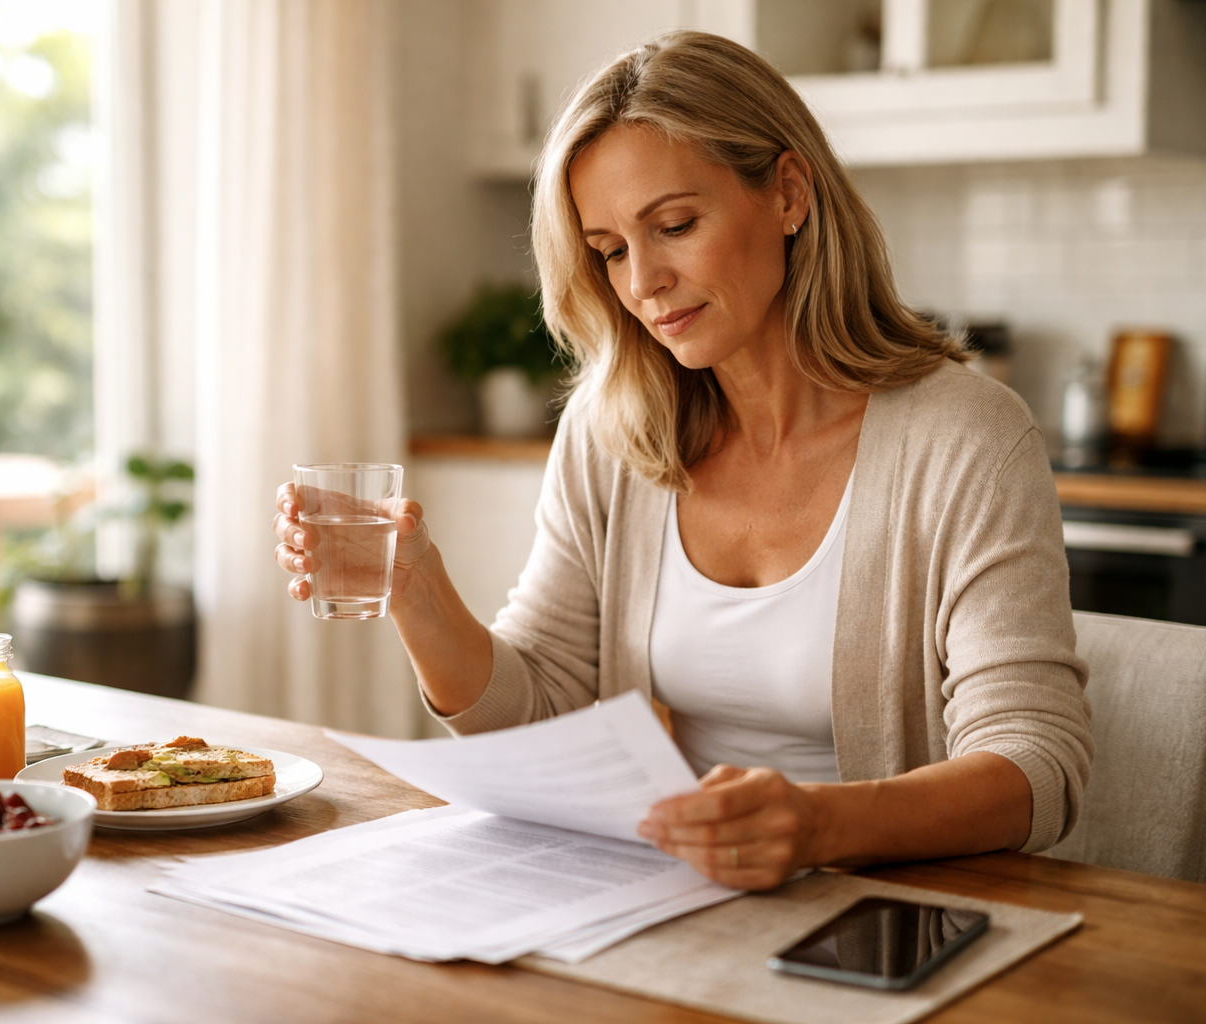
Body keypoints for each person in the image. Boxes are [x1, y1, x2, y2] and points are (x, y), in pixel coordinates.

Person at [273, 31, 1092, 892]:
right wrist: (419, 591)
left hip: (897, 912)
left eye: (674, 226)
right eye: (611, 250)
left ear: (787, 193)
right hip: (684, 897)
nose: (643, 284)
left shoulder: (966, 438)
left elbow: (1035, 766)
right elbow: (543, 701)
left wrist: (818, 823)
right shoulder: (613, 428)